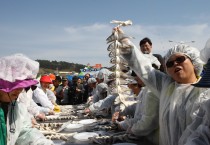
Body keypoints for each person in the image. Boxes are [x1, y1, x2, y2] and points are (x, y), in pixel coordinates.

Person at [117, 27, 206, 145]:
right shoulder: (166, 86)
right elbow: (144, 69)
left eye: (180, 59)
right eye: (170, 63)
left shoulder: (205, 92)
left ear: (194, 62)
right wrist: (125, 44)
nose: (175, 63)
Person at [0, 54, 53, 145]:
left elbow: (24, 132)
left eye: (22, 86)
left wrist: (41, 142)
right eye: (15, 85)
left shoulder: (17, 107)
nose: (20, 90)